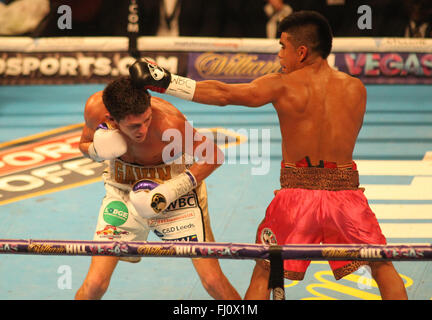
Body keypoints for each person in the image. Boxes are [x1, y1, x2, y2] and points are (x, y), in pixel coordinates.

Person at [128, 11, 408, 300]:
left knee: (265, 268)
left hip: (296, 196)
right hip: (346, 194)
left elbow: (223, 94)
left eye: (283, 47)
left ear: (302, 52)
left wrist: (166, 82)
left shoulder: (282, 85)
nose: (279, 56)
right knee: (382, 264)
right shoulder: (356, 89)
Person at [75, 76, 241, 300]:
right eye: (134, 126)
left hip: (176, 193)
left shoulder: (169, 123)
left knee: (212, 280)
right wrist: (96, 150)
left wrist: (172, 190)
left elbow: (213, 155)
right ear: (111, 119)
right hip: (122, 192)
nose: (143, 129)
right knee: (95, 284)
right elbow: (83, 143)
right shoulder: (95, 109)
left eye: (146, 119)